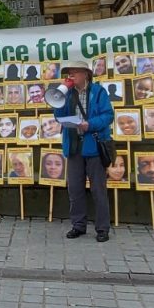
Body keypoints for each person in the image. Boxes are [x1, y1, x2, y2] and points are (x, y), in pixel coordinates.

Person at [53, 60, 114, 242]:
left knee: (98, 189)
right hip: (73, 146)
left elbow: (108, 115)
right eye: (69, 73)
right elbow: (58, 116)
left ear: (85, 74)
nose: (70, 76)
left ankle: (102, 228)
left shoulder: (98, 92)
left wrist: (90, 124)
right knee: (75, 189)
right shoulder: (67, 92)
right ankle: (78, 225)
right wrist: (59, 97)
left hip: (94, 146)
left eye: (74, 72)